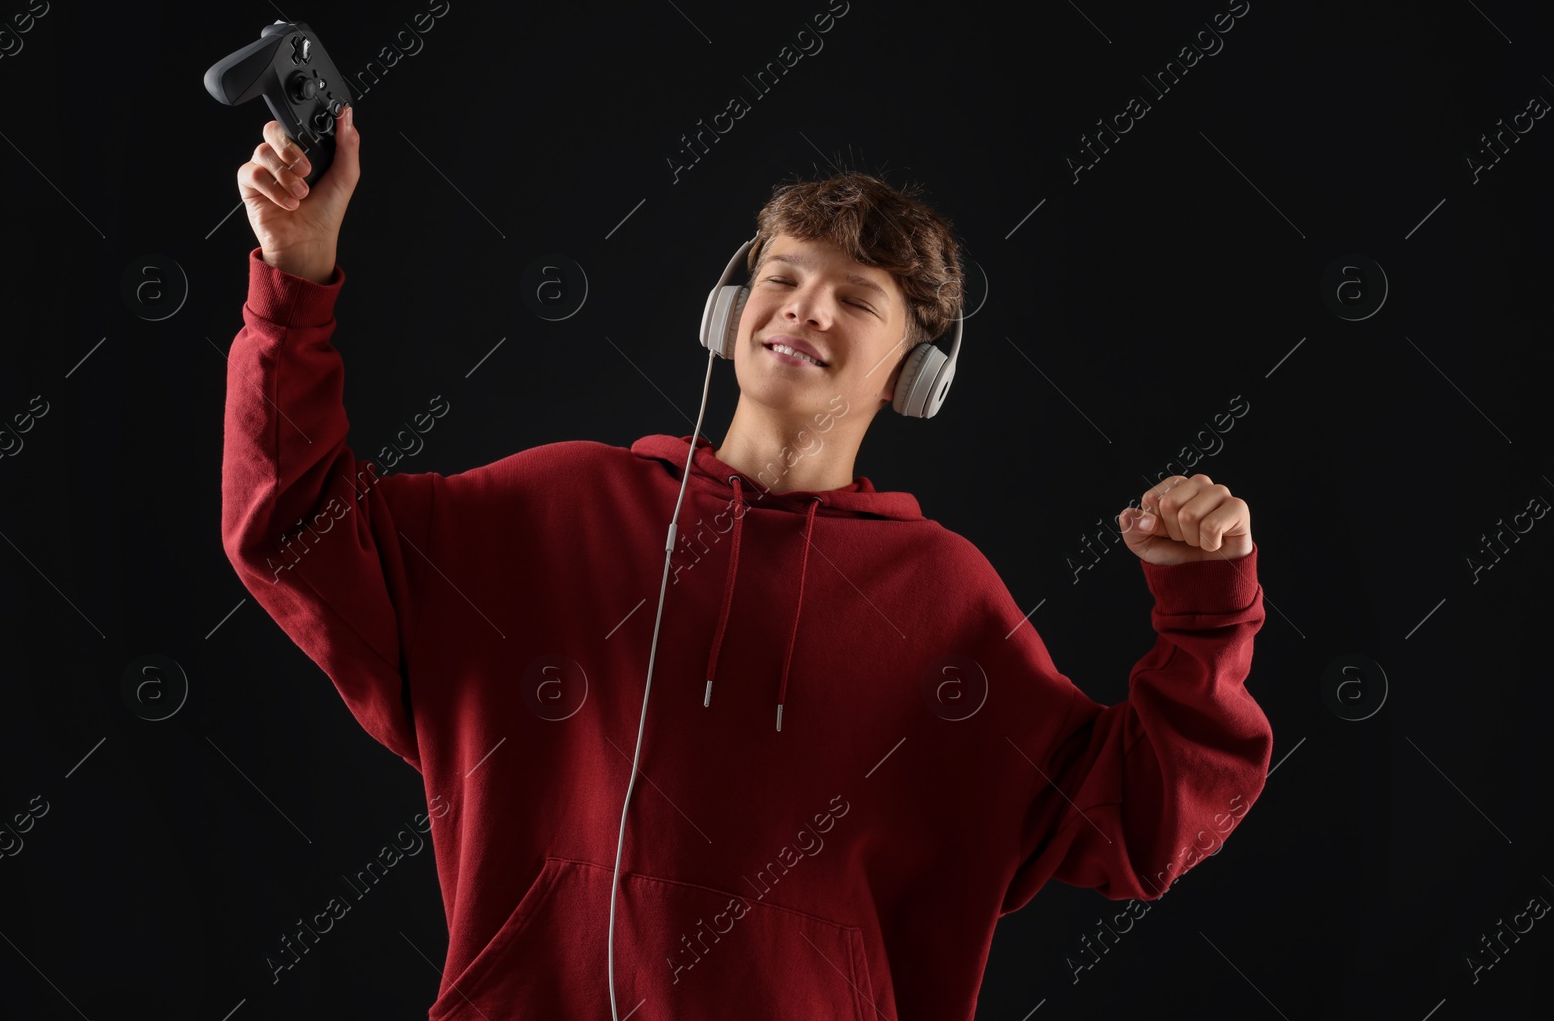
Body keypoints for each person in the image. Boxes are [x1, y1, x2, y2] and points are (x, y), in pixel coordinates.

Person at [222, 103, 1271, 1020]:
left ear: (917, 377)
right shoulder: (556, 508)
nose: (805, 308)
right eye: (781, 276)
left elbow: (1145, 824)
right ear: (728, 315)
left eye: (856, 301)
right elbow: (295, 526)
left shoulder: (946, 604)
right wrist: (294, 277)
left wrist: (1203, 610)